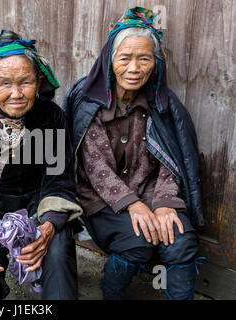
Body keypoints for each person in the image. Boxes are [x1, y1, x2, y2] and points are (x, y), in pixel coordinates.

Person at [63, 7, 204, 300]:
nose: (134, 68)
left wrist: (165, 202)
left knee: (181, 240)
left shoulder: (162, 104)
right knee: (136, 241)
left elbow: (172, 161)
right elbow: (94, 167)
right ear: (109, 60)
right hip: (101, 198)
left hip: (151, 190)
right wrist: (132, 205)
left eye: (144, 58)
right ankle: (111, 291)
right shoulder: (90, 100)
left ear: (156, 63)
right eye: (124, 58)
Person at [0, 29, 83, 300]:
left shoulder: (52, 116)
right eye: (4, 83)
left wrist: (48, 227)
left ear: (38, 82)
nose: (16, 93)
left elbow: (59, 180)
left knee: (58, 252)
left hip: (39, 207)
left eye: (25, 82)